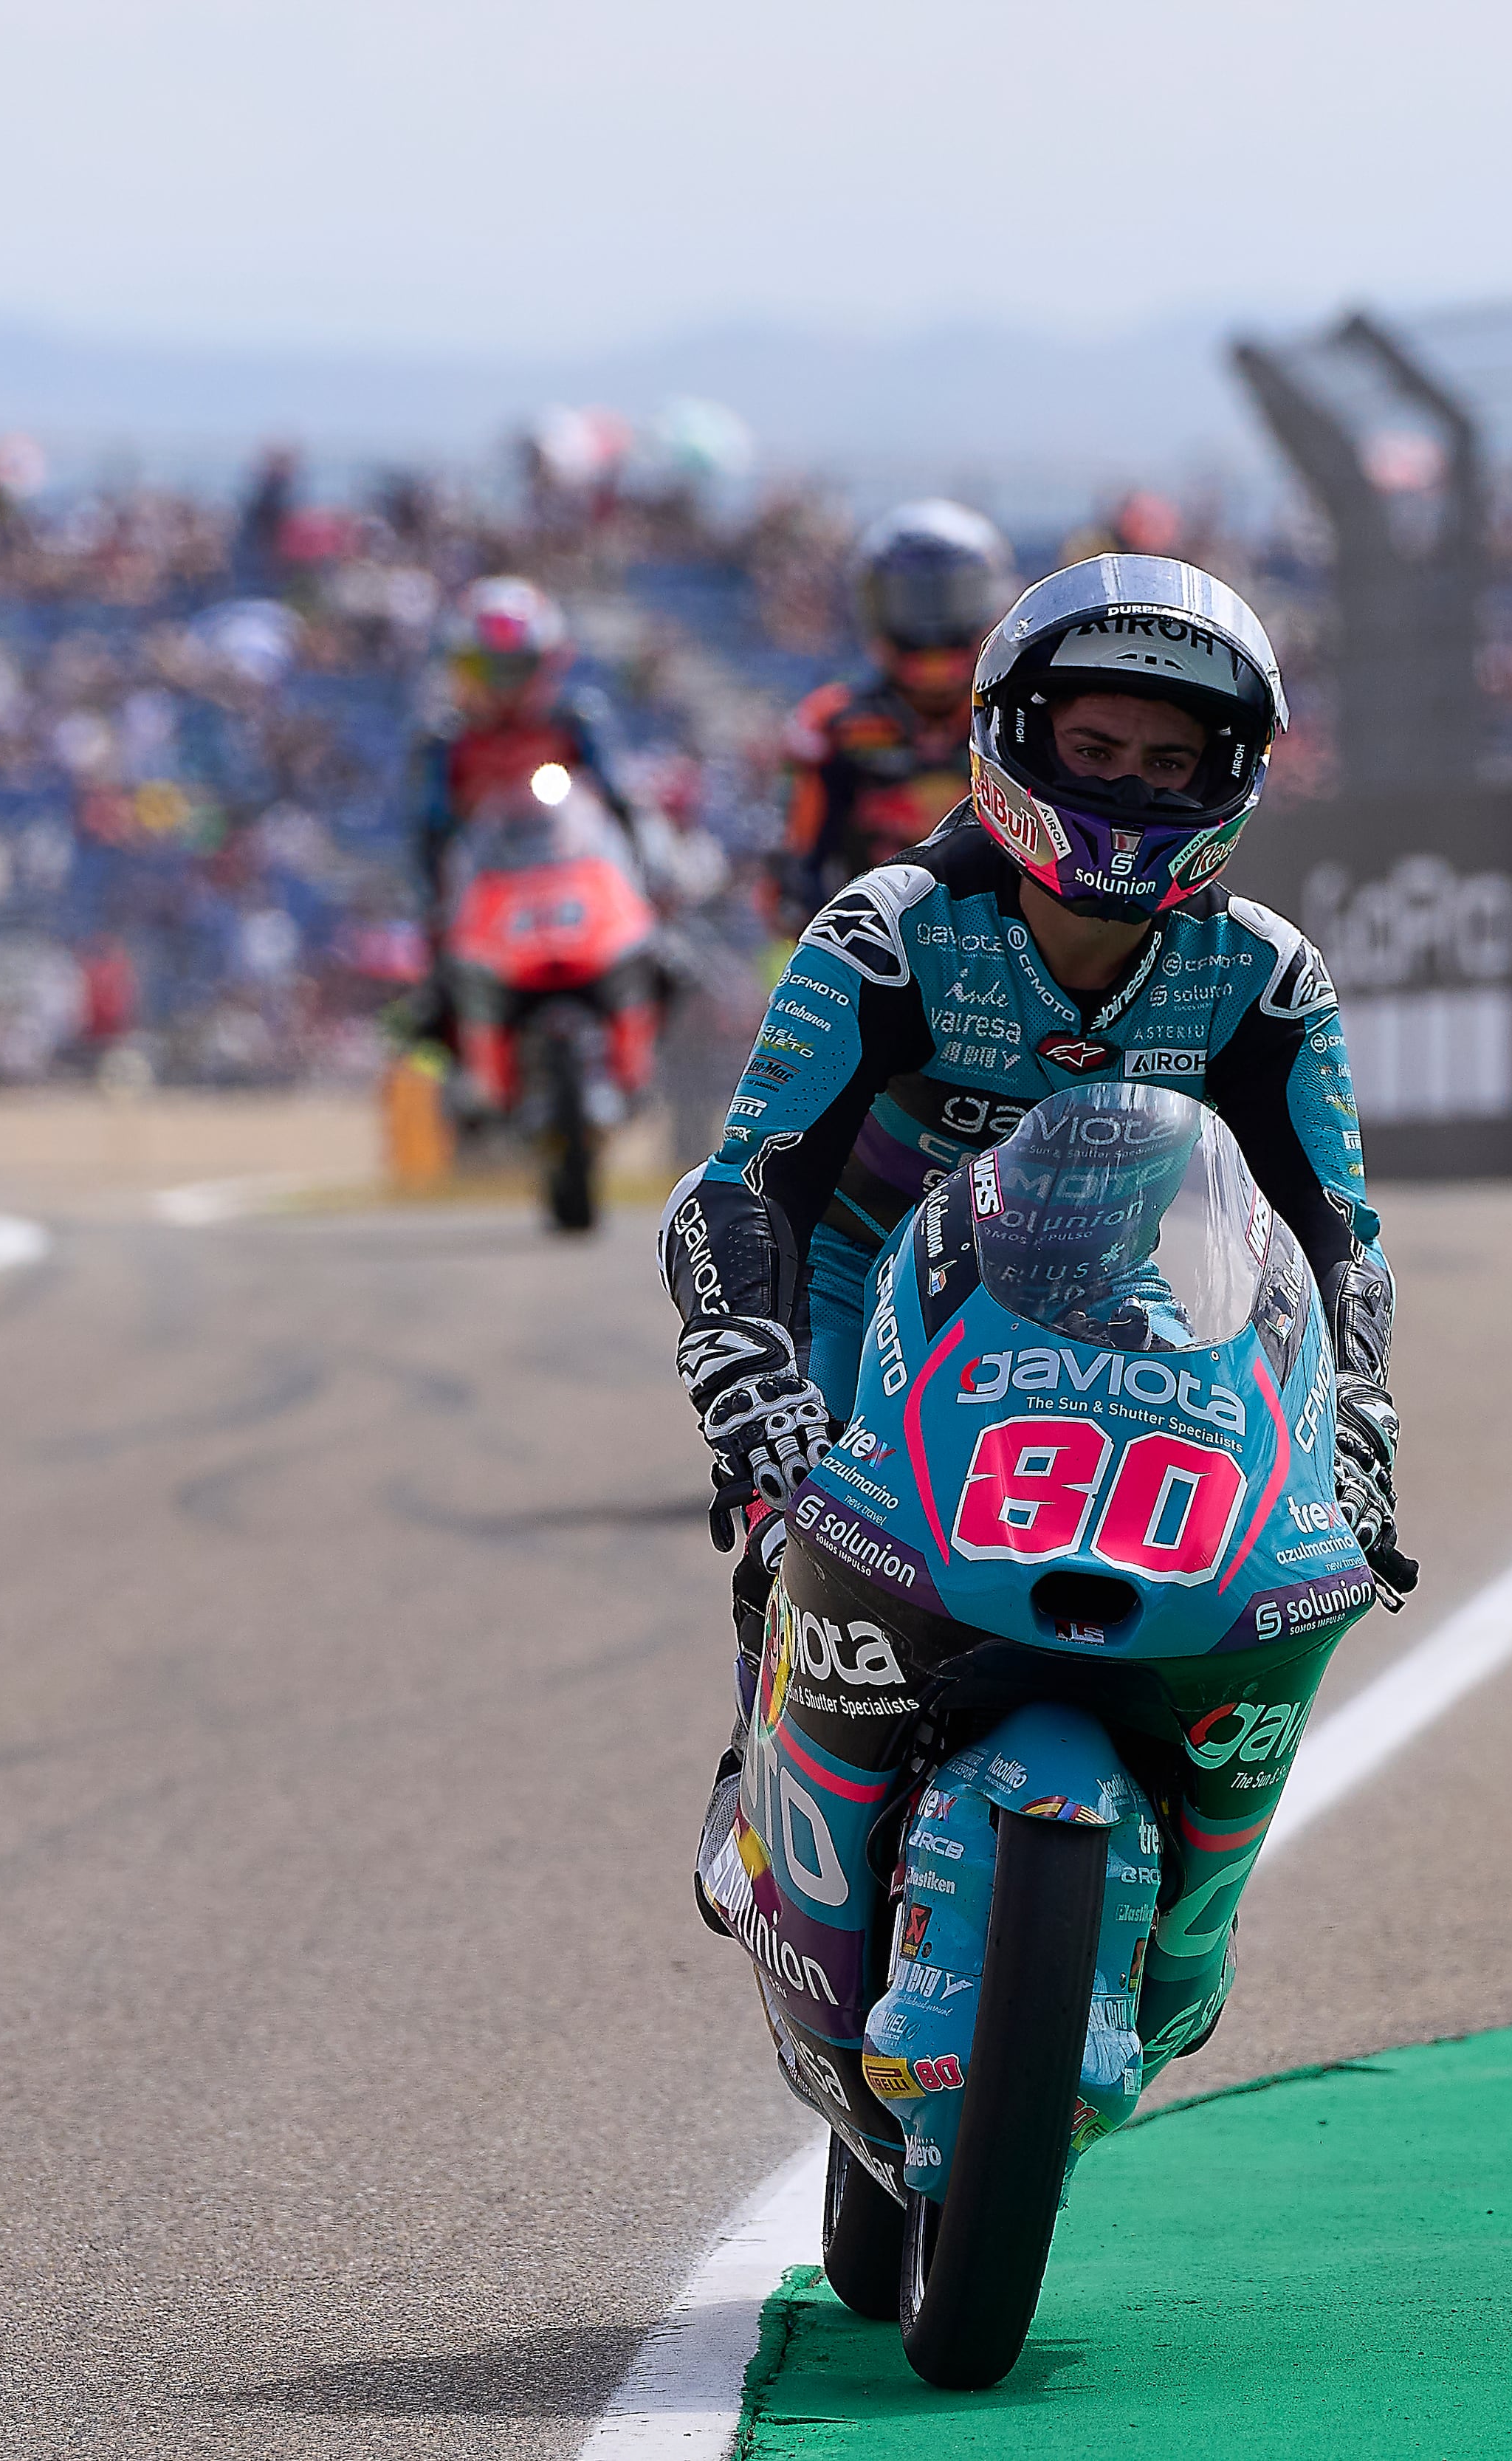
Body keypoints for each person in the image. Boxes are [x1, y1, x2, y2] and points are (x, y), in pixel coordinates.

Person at [659, 553, 1411, 2062]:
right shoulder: (888, 928)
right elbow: (740, 1183)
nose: (1130, 786)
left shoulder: (1267, 979)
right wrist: (745, 1368)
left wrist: (1357, 1424)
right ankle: (770, 1769)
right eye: (1096, 749)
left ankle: (1185, 1892)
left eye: (1167, 759)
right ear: (1019, 736)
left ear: (1232, 776)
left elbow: (1335, 1235)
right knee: (799, 1518)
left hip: (1137, 1318)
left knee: (1246, 1577)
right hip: (872, 1295)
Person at [403, 576, 643, 1088]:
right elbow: (430, 830)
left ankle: (636, 1058)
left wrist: (643, 876)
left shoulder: (575, 721)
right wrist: (434, 906)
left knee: (661, 957)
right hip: (489, 887)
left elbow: (618, 803)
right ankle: (469, 1083)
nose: (499, 684)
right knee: (432, 999)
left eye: (513, 668)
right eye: (483, 668)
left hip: (571, 876)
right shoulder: (446, 740)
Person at [770, 501, 1014, 927]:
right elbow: (799, 862)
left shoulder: (1015, 714)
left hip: (1003, 939)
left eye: (950, 597)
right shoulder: (833, 723)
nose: (931, 625)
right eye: (911, 600)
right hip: (873, 942)